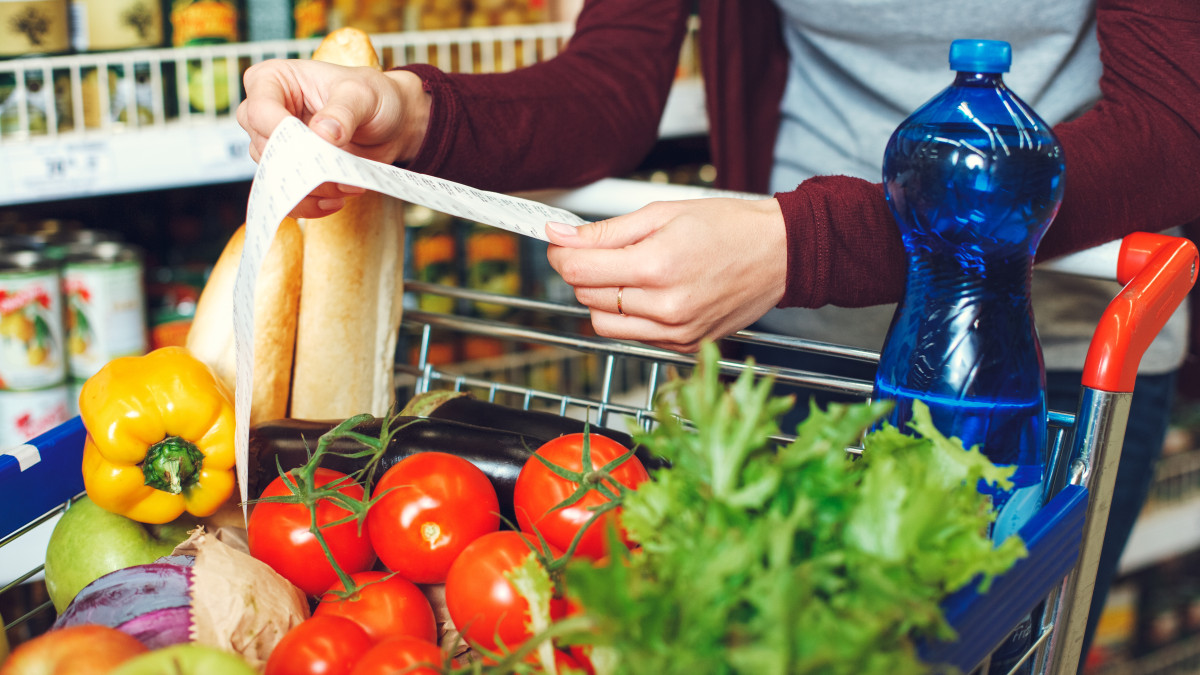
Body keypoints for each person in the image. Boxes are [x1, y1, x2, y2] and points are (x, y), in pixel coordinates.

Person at [236, 0, 1200, 667]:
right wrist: (410, 113)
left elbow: (1170, 124)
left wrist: (807, 243)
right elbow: (611, 82)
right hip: (791, 345)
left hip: (1034, 360)